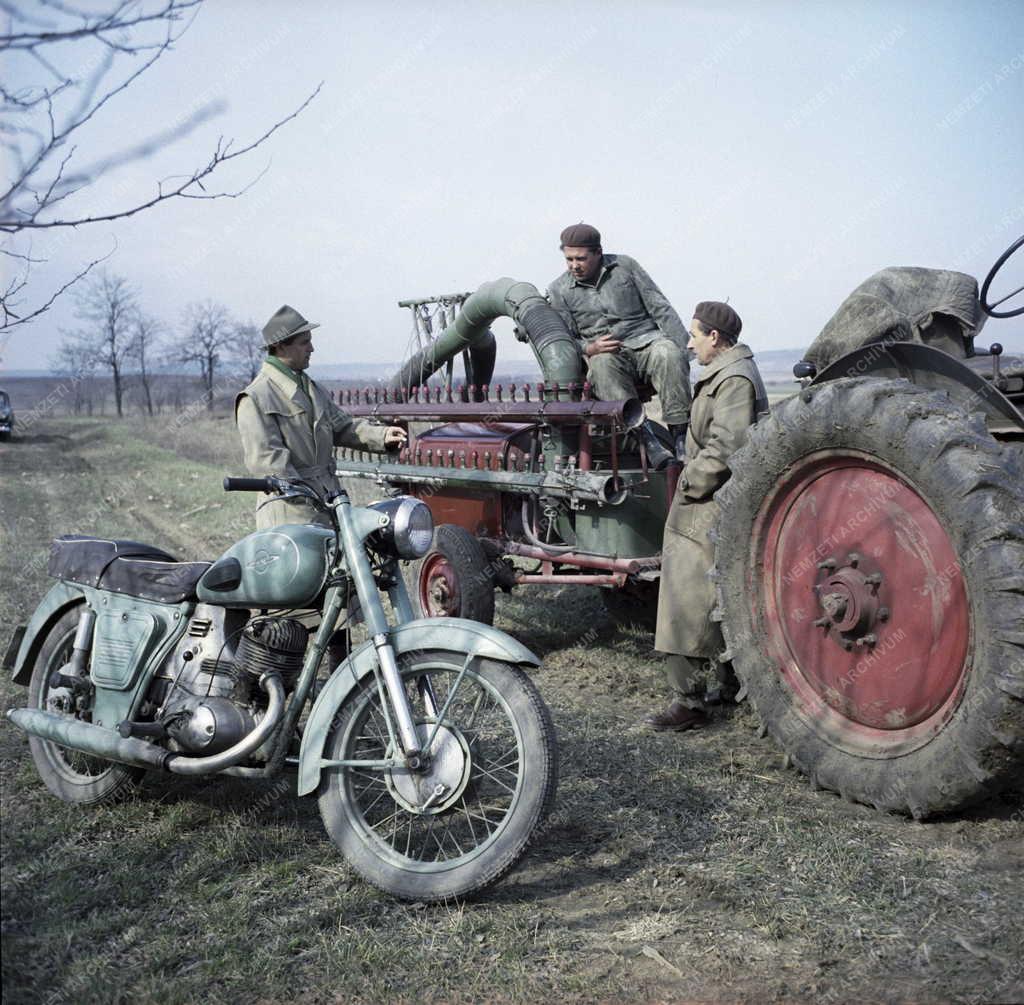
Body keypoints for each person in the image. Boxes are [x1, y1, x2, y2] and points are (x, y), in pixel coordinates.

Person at [645, 301, 768, 732]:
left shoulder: (733, 379)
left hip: (710, 503)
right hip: (713, 501)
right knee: (713, 600)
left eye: (695, 334)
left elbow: (728, 445)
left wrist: (687, 482)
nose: (690, 342)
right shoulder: (727, 373)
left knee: (684, 599)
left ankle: (688, 703)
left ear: (715, 337)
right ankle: (723, 685)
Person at [235, 304, 407, 530]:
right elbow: (268, 463)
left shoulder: (311, 389)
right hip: (289, 516)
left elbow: (343, 426)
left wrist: (382, 435)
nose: (312, 348)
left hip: (329, 504)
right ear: (280, 346)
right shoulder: (256, 397)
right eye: (304, 342)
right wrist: (303, 495)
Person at [547, 223, 692, 469]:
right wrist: (589, 348)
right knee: (601, 366)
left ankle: (681, 438)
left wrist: (684, 352)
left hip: (647, 343)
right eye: (569, 259)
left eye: (581, 259)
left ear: (598, 252)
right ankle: (647, 440)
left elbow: (660, 306)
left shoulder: (626, 267)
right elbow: (566, 338)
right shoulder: (559, 290)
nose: (574, 265)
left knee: (668, 353)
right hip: (608, 355)